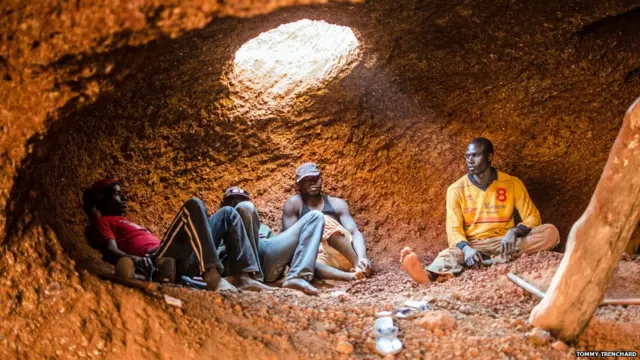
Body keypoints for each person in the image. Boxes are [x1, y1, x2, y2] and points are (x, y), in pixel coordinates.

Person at [401, 137, 560, 283]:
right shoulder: (456, 189)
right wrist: (467, 249)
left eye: (475, 156)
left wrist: (514, 232)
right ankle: (427, 276)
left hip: (505, 242)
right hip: (474, 245)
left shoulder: (511, 183)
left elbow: (533, 217)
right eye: (467, 156)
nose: (470, 160)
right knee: (450, 254)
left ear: (489, 157)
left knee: (550, 232)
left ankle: (486, 261)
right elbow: (454, 230)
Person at [83, 179, 269, 293]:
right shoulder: (103, 221)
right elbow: (109, 250)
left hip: (186, 257)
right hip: (159, 258)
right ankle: (212, 276)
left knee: (228, 211)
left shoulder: (130, 222)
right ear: (102, 199)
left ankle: (244, 276)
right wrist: (135, 259)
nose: (124, 198)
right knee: (194, 205)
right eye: (117, 194)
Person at [221, 186, 325, 295]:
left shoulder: (263, 228)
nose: (237, 203)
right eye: (232, 201)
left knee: (316, 216)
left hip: (265, 260)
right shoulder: (220, 223)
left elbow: (280, 253)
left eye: (241, 200)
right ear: (223, 205)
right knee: (244, 207)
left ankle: (298, 277)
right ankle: (247, 276)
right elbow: (213, 256)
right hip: (234, 263)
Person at [282, 162, 373, 282]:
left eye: (315, 178)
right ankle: (351, 276)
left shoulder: (337, 203)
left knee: (320, 219)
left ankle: (358, 266)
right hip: (319, 260)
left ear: (321, 179)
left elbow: (354, 233)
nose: (312, 182)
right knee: (302, 260)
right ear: (299, 184)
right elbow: (289, 241)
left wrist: (362, 257)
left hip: (346, 257)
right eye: (307, 180)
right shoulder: (294, 204)